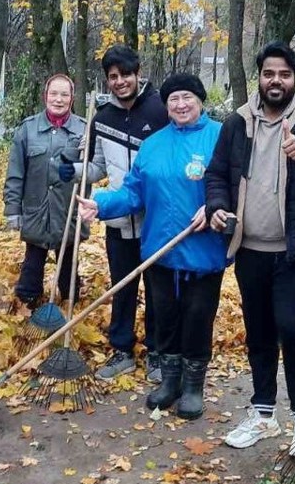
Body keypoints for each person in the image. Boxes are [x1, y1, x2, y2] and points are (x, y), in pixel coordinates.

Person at [205, 41, 295, 453]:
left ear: (294, 78)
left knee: (293, 331)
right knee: (259, 333)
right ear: (259, 77)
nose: (276, 81)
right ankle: (263, 412)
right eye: (269, 73)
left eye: (284, 74)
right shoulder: (237, 123)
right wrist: (216, 208)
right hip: (250, 250)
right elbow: (217, 175)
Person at [78, 74, 227, 419]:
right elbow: (133, 192)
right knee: (166, 319)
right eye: (173, 99)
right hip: (160, 249)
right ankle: (170, 382)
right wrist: (100, 204)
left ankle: (193, 388)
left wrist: (217, 205)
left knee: (197, 318)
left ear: (200, 100)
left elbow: (235, 183)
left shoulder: (219, 137)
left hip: (203, 251)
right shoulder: (153, 144)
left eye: (187, 97)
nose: (180, 105)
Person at [70, 46, 169, 383]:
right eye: (113, 77)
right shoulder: (101, 119)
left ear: (137, 72)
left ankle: (156, 352)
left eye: (125, 74)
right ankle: (122, 350)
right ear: (107, 80)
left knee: (158, 290)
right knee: (122, 287)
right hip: (117, 221)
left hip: (155, 220)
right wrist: (73, 168)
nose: (120, 82)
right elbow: (97, 167)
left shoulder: (159, 111)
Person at [4, 74, 87, 307]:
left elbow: (93, 170)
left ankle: (71, 300)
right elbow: (15, 172)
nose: (58, 99)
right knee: (33, 262)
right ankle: (28, 302)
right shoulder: (28, 130)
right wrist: (12, 209)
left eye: (64, 94)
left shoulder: (83, 130)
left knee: (69, 265)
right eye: (54, 94)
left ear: (72, 98)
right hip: (36, 210)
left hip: (67, 211)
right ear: (45, 96)